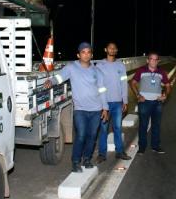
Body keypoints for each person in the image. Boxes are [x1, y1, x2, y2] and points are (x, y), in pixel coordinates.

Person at [44, 42, 108, 172]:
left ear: (91, 55)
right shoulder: (71, 67)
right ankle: (75, 161)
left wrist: (105, 108)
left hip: (96, 109)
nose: (86, 55)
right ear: (78, 54)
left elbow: (102, 90)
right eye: (83, 52)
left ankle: (87, 159)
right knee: (81, 135)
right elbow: (60, 77)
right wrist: (51, 81)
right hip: (80, 109)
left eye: (88, 52)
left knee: (92, 136)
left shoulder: (97, 71)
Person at [95, 42, 131, 162]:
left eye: (114, 48)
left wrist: (125, 100)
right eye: (110, 48)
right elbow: (97, 85)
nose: (112, 50)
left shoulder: (121, 65)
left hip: (117, 103)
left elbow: (124, 84)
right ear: (106, 49)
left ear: (116, 50)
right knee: (103, 129)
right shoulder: (99, 65)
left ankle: (120, 152)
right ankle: (102, 154)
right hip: (104, 103)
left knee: (117, 127)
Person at [129, 51, 171, 154]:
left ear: (158, 61)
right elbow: (132, 83)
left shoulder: (161, 72)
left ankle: (155, 146)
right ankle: (142, 147)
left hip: (157, 103)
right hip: (144, 102)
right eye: (151, 59)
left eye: (156, 59)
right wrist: (138, 95)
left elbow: (168, 85)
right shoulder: (141, 70)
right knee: (143, 125)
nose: (153, 61)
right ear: (148, 60)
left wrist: (165, 95)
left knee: (156, 125)